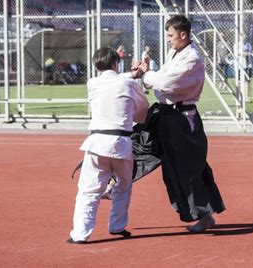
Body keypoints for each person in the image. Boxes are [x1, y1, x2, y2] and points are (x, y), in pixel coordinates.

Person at [132, 14, 225, 233]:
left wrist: (147, 74)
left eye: (171, 35)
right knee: (150, 151)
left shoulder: (192, 58)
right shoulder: (175, 52)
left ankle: (205, 215)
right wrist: (147, 75)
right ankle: (114, 180)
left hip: (182, 118)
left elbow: (165, 82)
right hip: (165, 114)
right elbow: (159, 82)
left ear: (183, 35)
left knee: (189, 168)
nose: (168, 39)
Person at [68, 47, 149, 244]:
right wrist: (137, 75)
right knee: (123, 186)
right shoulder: (128, 84)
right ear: (116, 63)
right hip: (122, 143)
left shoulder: (92, 83)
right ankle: (117, 226)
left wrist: (132, 74)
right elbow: (142, 113)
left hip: (96, 143)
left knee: (88, 190)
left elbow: (112, 78)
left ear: (96, 65)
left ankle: (80, 234)